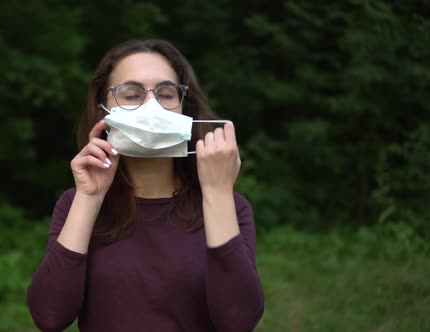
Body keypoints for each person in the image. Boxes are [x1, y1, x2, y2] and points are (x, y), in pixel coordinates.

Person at [26, 39, 264, 332]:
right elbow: (50, 317)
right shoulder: (75, 203)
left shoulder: (231, 206)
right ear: (104, 110)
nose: (152, 106)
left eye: (165, 94)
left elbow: (238, 320)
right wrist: (90, 196)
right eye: (131, 94)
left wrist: (217, 192)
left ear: (184, 108)